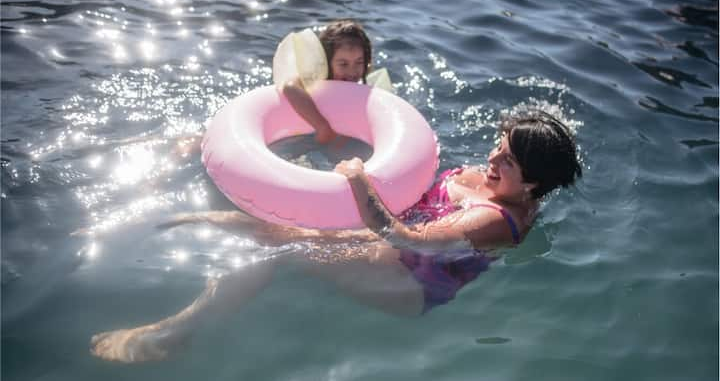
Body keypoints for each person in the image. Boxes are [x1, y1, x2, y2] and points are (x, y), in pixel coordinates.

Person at [89, 111, 582, 363]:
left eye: (508, 162)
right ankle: (188, 225)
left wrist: (357, 177)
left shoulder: (496, 220)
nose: (492, 161)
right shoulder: (498, 180)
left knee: (278, 248)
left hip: (408, 280)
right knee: (273, 227)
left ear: (534, 183)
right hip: (381, 251)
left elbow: (403, 236)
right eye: (498, 147)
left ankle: (176, 332)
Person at [280, 19, 373, 144]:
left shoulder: (363, 93)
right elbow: (289, 87)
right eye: (343, 64)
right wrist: (322, 126)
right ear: (327, 62)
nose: (352, 72)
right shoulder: (318, 79)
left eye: (359, 62)